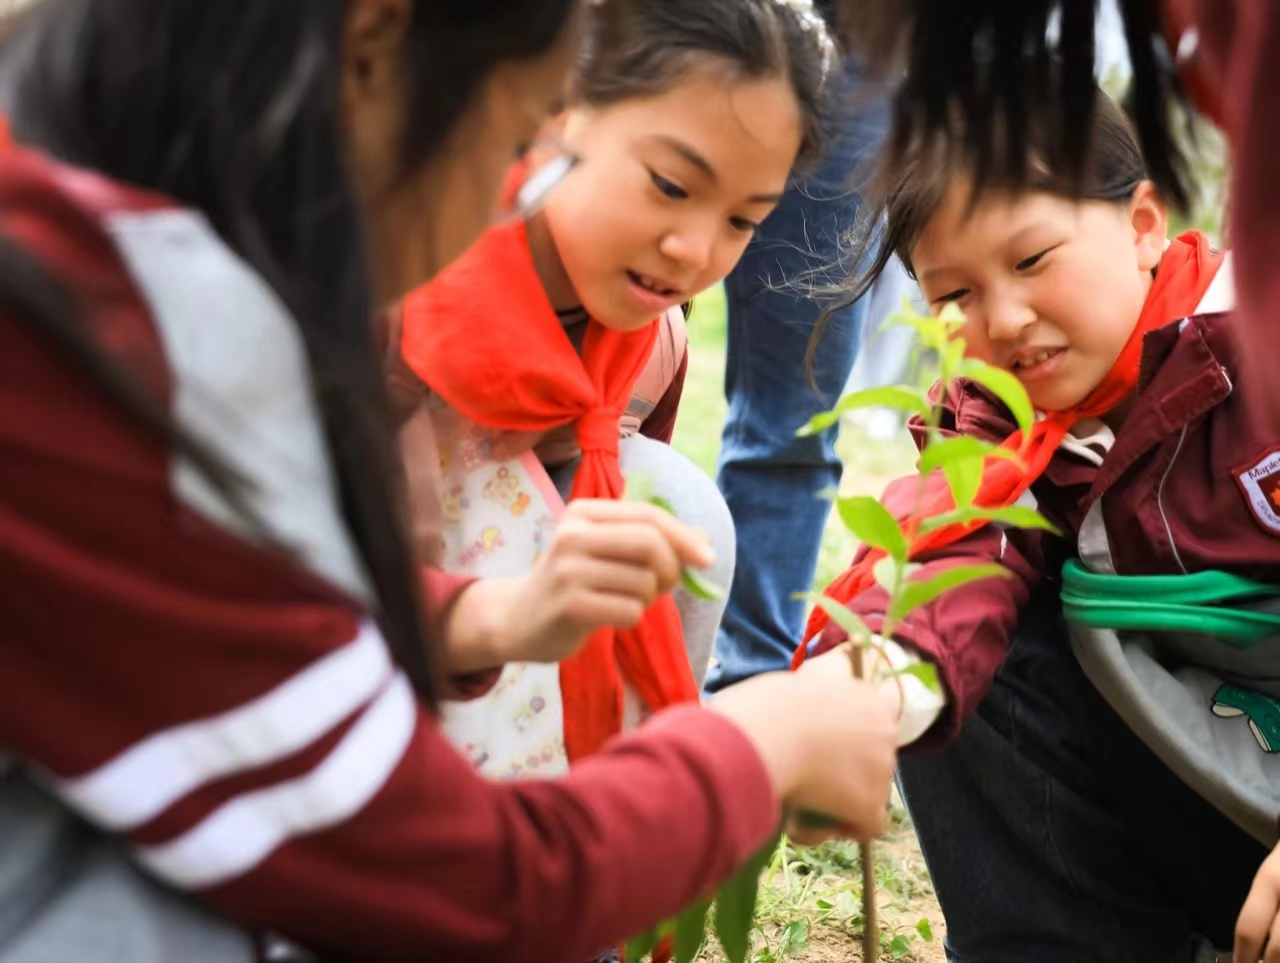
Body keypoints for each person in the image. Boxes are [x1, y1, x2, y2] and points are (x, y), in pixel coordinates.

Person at [0, 1, 906, 960]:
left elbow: (250, 631)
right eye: (518, 139)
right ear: (374, 44)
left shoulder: (95, 258)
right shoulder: (94, 349)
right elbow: (447, 884)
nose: (504, 205)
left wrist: (486, 621)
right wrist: (759, 746)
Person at [800, 86, 1279, 961]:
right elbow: (950, 556)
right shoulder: (997, 420)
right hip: (1195, 792)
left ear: (1142, 224)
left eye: (1031, 261)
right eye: (956, 296)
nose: (1005, 320)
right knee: (956, 647)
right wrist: (854, 702)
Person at [397, 0, 840, 767]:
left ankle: (617, 798)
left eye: (743, 220)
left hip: (500, 658)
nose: (694, 248)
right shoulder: (401, 287)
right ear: (555, 112)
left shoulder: (648, 336)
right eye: (670, 185)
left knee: (675, 507)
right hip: (348, 659)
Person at [703, 4, 889, 693]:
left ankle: (749, 686)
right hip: (686, 19)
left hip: (859, 45)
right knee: (606, 372)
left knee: (796, 419)